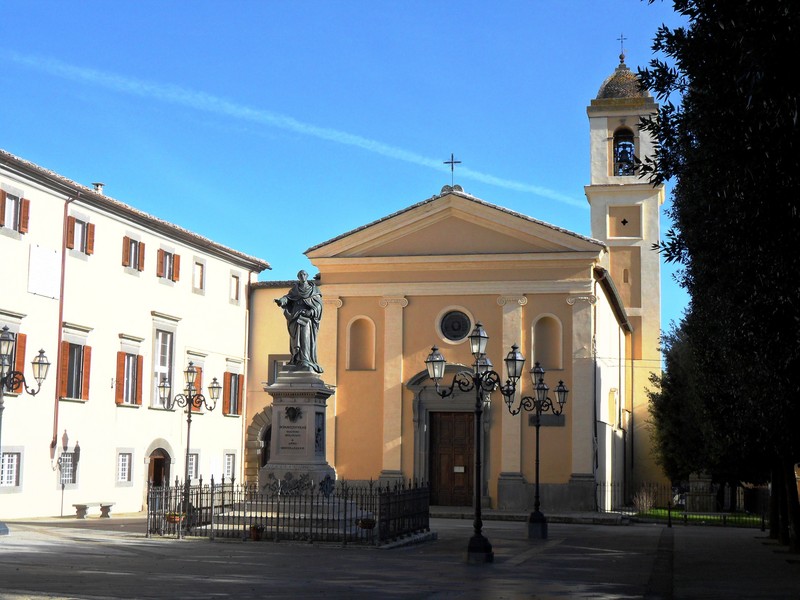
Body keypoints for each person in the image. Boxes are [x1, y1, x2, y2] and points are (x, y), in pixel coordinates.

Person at [275, 270, 323, 373]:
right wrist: (281, 301)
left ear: (307, 276)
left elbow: (319, 305)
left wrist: (311, 312)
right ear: (298, 277)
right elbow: (288, 298)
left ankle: (305, 360)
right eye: (300, 275)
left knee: (305, 337)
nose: (302, 276)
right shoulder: (295, 290)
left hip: (306, 318)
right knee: (295, 338)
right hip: (295, 316)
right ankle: (296, 359)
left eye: (304, 274)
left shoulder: (313, 290)